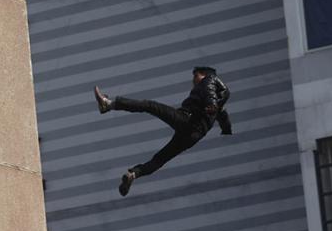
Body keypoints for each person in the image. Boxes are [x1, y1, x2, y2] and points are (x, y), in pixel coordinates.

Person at [94, 66, 232, 196]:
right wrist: (226, 132)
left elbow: (210, 95)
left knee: (150, 106)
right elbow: (225, 121)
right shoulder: (221, 106)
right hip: (193, 136)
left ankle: (108, 104)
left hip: (187, 120)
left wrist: (212, 105)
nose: (193, 80)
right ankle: (133, 174)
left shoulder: (208, 81)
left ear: (204, 75)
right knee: (161, 158)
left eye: (195, 76)